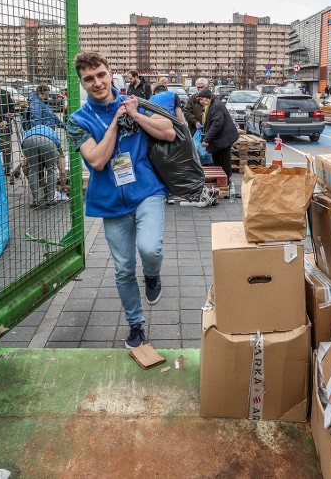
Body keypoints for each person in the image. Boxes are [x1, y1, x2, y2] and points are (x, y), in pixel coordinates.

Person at [66, 51, 175, 349]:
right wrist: (115, 123)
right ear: (82, 83)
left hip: (146, 191)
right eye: (89, 79)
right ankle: (135, 324)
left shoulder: (134, 102)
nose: (98, 83)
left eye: (101, 75)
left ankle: (152, 274)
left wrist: (136, 115)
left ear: (110, 72)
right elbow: (98, 160)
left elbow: (168, 132)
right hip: (111, 203)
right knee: (124, 268)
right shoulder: (77, 121)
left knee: (149, 248)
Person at [196, 88, 239, 184]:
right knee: (217, 160)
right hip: (221, 138)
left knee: (223, 161)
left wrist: (207, 140)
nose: (201, 102)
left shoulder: (216, 106)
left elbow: (217, 124)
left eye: (202, 99)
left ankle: (226, 182)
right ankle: (222, 180)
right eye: (199, 100)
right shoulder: (212, 104)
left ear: (207, 98)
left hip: (224, 139)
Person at [21, 122, 60, 209]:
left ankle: (35, 200)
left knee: (33, 169)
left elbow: (24, 161)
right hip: (48, 141)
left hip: (28, 140)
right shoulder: (52, 132)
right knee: (51, 169)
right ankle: (51, 199)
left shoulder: (31, 130)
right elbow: (60, 155)